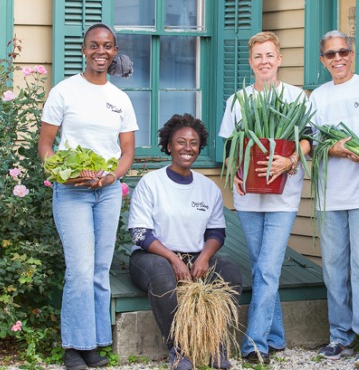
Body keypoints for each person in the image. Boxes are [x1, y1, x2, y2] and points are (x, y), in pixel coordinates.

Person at [38, 23, 138, 370]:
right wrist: (64, 173)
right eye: (94, 45)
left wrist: (112, 176)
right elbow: (46, 145)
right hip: (72, 192)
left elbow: (127, 152)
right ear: (83, 50)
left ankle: (93, 344)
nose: (101, 51)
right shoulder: (64, 91)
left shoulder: (120, 99)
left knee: (99, 270)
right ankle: (73, 348)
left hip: (108, 192)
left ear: (114, 52)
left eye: (107, 46)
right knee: (80, 270)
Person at [218, 31, 311, 364]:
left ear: (280, 59)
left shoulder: (297, 98)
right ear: (250, 62)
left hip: (283, 196)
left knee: (268, 268)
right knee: (262, 267)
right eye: (258, 57)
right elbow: (229, 148)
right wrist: (235, 175)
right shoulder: (238, 100)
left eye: (269, 55)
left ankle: (254, 344)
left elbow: (308, 140)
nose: (264, 62)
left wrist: (289, 160)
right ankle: (276, 336)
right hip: (247, 198)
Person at [126, 114, 242, 370]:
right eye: (180, 142)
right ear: (168, 145)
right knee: (161, 276)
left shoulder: (208, 187)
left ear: (199, 147)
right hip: (152, 257)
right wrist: (173, 259)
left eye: (193, 142)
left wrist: (202, 258)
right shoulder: (151, 183)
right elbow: (139, 233)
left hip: (194, 256)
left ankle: (216, 345)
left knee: (230, 273)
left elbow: (216, 233)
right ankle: (179, 350)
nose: (187, 148)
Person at [308, 31, 359, 367]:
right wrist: (337, 149)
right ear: (322, 61)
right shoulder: (317, 97)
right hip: (331, 197)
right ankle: (340, 336)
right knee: (335, 269)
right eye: (330, 54)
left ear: (352, 54)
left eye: (343, 52)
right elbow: (310, 143)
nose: (337, 58)